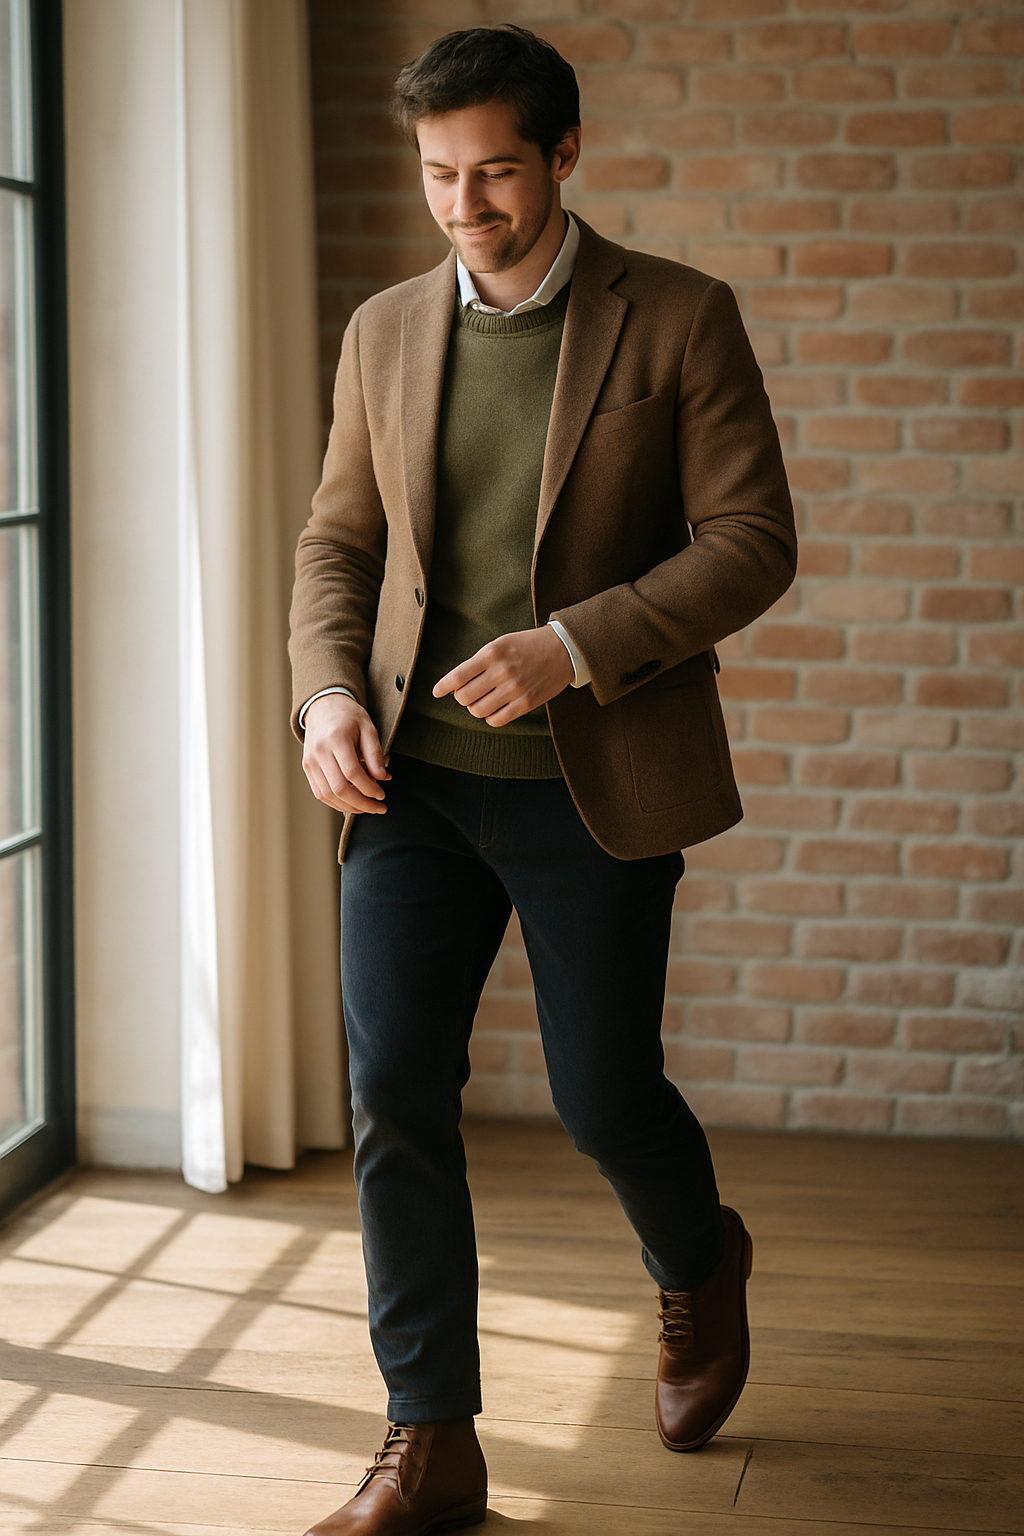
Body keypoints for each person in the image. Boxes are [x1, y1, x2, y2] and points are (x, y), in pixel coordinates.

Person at [289, 24, 795, 1536]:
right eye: (439, 174)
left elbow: (751, 540)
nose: (464, 204)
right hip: (411, 788)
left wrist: (573, 647)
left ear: (563, 155)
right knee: (393, 1090)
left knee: (602, 1095)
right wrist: (323, 696)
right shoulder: (383, 330)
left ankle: (699, 1262)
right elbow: (339, 542)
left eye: (495, 171)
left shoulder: (683, 319)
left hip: (595, 782)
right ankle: (429, 1439)